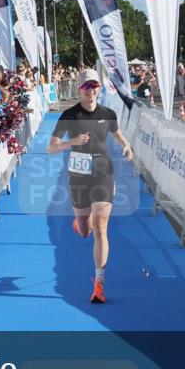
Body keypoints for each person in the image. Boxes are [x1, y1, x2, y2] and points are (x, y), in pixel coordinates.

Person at [47, 69, 133, 305]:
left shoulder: (108, 113)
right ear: (79, 89)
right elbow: (51, 147)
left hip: (103, 173)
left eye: (95, 86)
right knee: (86, 230)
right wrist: (72, 142)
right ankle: (80, 224)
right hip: (78, 176)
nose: (92, 90)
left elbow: (117, 135)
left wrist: (126, 146)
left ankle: (99, 282)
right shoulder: (69, 115)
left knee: (101, 228)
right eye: (87, 86)